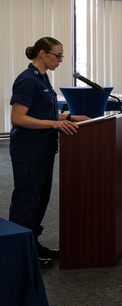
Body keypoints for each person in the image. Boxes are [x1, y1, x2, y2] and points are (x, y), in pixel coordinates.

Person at [8, 37, 89, 267]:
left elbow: (43, 112)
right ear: (42, 53)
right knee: (27, 201)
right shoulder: (27, 81)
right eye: (58, 55)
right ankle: (20, 257)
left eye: (62, 56)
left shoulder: (42, 79)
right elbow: (18, 118)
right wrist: (55, 124)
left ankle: (32, 245)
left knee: (40, 200)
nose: (60, 60)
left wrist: (70, 117)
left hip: (43, 150)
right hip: (28, 151)